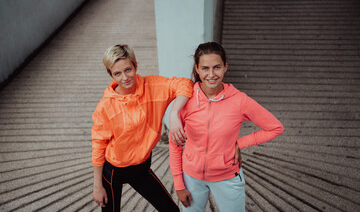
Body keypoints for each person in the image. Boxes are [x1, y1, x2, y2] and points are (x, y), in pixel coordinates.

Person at [169, 42, 284, 212]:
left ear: (225, 67)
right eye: (205, 68)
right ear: (197, 69)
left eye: (217, 67)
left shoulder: (240, 101)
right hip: (191, 178)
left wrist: (239, 143)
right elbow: (175, 144)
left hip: (227, 178)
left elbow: (275, 127)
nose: (211, 74)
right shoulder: (186, 100)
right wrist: (179, 184)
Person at [91, 44, 193, 212]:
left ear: (135, 66)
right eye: (117, 73)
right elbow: (98, 145)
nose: (125, 77)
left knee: (171, 210)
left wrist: (174, 114)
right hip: (114, 171)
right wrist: (97, 186)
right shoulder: (105, 107)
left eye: (128, 69)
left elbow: (185, 84)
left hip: (142, 167)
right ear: (110, 74)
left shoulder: (153, 86)